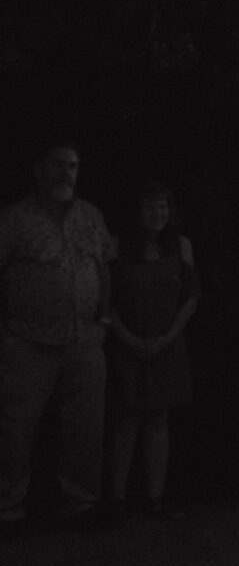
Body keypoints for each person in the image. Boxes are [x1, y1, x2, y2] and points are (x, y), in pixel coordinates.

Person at [0, 142, 116, 534]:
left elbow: (103, 268)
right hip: (27, 340)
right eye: (58, 165)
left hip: (83, 338)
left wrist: (103, 320)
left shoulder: (90, 216)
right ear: (39, 169)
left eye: (73, 166)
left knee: (85, 428)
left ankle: (79, 504)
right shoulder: (15, 220)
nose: (66, 173)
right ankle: (8, 507)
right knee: (16, 428)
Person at [108, 184, 199, 517]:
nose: (157, 213)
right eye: (150, 207)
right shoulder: (118, 246)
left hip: (167, 344)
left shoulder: (181, 246)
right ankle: (117, 499)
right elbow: (107, 299)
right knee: (127, 420)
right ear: (137, 211)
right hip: (128, 342)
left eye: (162, 206)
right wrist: (126, 338)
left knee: (159, 419)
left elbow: (190, 297)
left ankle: (155, 498)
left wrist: (169, 336)